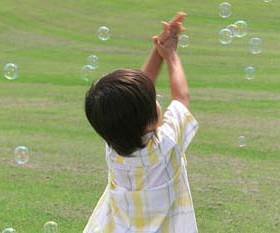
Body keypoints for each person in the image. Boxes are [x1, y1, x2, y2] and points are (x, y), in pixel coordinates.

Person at [84, 12, 199, 233]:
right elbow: (181, 98)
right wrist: (170, 55)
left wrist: (159, 51)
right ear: (147, 121)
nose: (155, 98)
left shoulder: (114, 148)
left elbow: (138, 92)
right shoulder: (167, 145)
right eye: (152, 99)